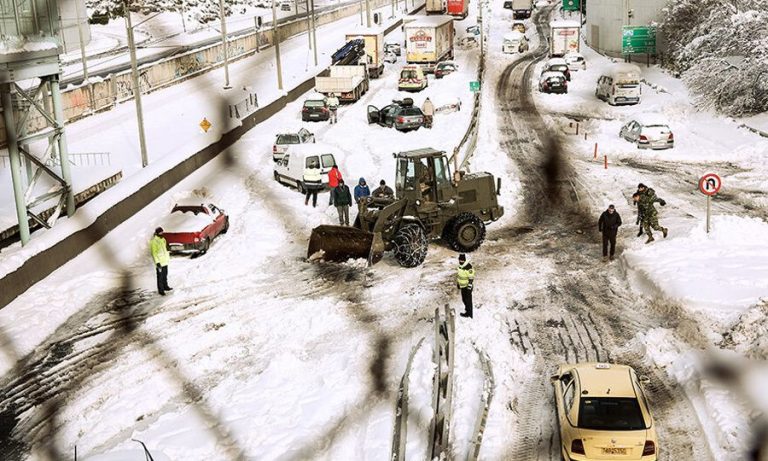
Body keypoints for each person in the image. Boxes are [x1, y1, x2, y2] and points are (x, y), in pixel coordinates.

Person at [150, 227, 172, 296]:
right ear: (157, 233)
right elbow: (154, 253)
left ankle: (166, 286)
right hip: (159, 263)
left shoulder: (163, 239)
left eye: (162, 232)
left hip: (165, 261)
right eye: (160, 232)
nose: (161, 233)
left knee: (165, 275)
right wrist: (157, 263)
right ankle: (161, 290)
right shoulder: (154, 241)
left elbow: (165, 249)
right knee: (160, 277)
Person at [456, 254, 475, 318]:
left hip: (467, 287)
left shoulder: (468, 267)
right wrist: (458, 283)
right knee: (464, 299)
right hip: (462, 286)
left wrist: (469, 287)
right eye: (460, 260)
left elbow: (471, 277)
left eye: (462, 260)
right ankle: (467, 311)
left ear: (464, 260)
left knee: (468, 301)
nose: (461, 261)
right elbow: (459, 276)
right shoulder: (460, 267)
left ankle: (469, 314)